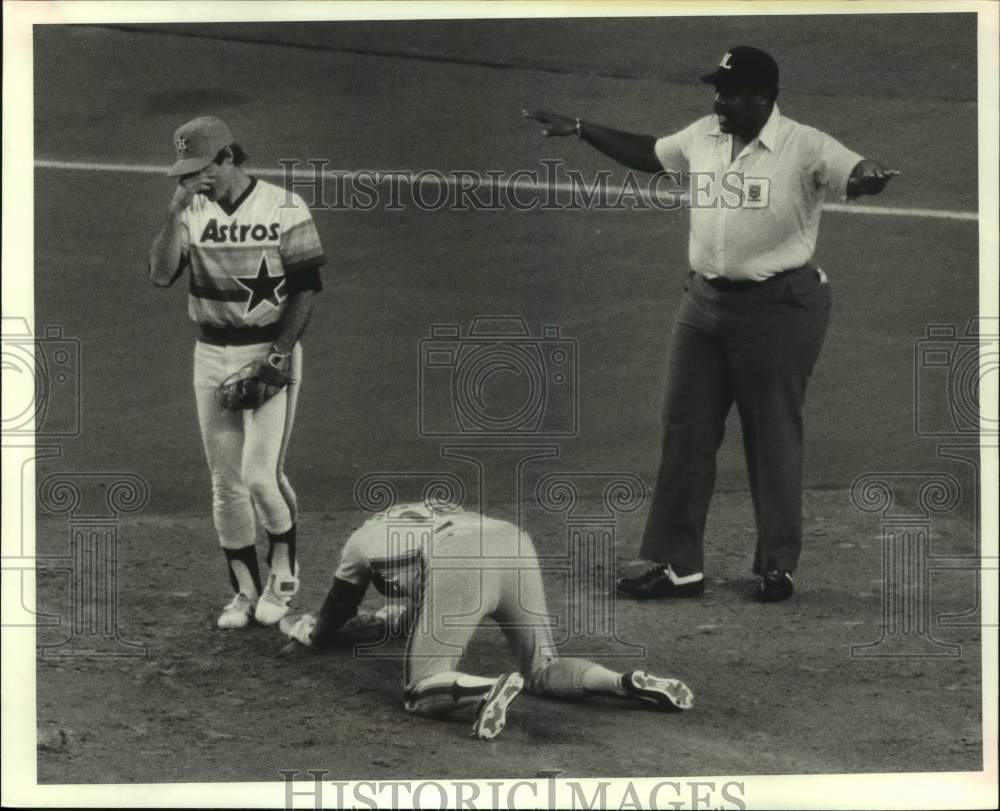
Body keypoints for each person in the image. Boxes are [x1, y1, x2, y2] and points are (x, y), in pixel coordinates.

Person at [524, 46, 897, 603]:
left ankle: (777, 566)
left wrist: (868, 177)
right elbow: (651, 153)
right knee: (685, 428)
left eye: (728, 93)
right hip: (703, 307)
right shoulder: (704, 135)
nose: (717, 101)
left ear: (762, 98)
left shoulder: (804, 145)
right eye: (716, 91)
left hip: (779, 309)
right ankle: (678, 566)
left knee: (771, 434)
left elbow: (854, 172)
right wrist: (582, 128)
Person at [279, 502, 694, 740]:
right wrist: (400, 619)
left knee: (418, 691)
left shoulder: (359, 541)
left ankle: (487, 688)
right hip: (511, 541)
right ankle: (622, 681)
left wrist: (310, 631)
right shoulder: (434, 509)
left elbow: (337, 609)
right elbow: (428, 591)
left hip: (458, 559)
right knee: (543, 669)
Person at [148, 116, 326, 628]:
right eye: (185, 171)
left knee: (259, 476)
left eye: (200, 168)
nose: (191, 179)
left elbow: (305, 288)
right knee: (225, 483)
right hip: (210, 353)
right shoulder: (190, 209)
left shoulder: (283, 206)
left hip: (266, 349)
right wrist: (173, 213)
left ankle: (284, 573)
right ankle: (244, 593)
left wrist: (277, 357)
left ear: (228, 157)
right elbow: (161, 274)